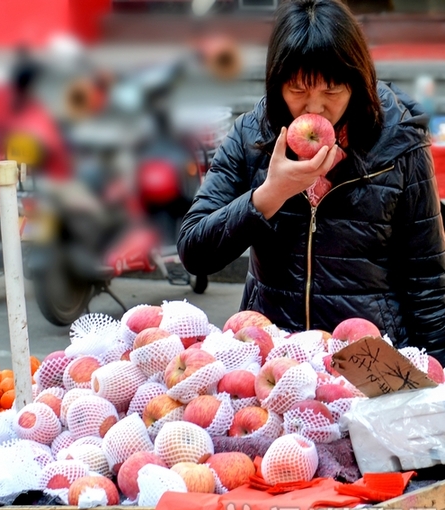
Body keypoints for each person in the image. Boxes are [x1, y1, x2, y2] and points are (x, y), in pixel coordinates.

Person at [177, 0, 445, 363]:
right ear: (276, 83)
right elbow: (194, 249)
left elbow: (428, 280)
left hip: (367, 362)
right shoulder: (251, 136)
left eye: (331, 91)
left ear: (358, 82)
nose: (314, 108)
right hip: (273, 358)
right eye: (298, 90)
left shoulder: (400, 143)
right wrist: (269, 195)